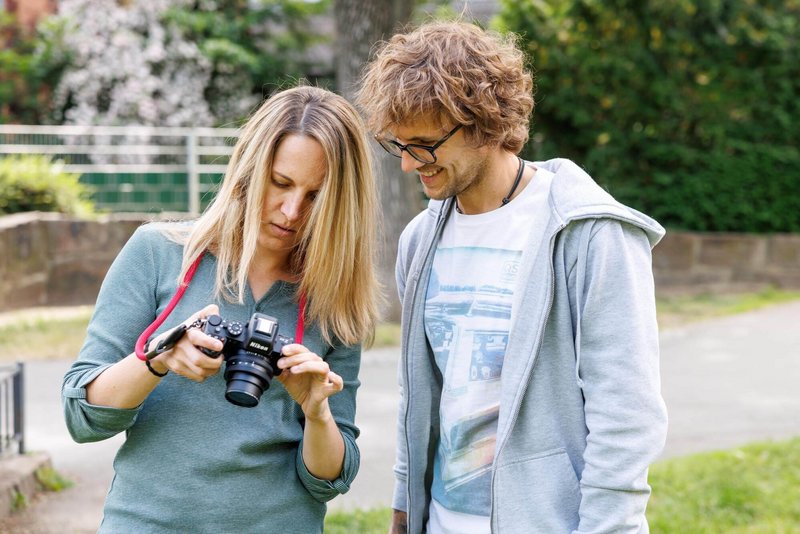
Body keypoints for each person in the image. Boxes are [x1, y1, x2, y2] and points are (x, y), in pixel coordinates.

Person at [356, 21, 668, 533]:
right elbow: (420, 398)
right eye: (400, 146)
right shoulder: (419, 240)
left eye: (425, 145)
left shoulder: (590, 234)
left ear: (483, 124)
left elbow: (626, 413)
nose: (409, 165)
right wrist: (404, 509)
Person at [62, 86, 381, 533]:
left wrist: (316, 413)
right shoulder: (158, 253)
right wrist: (158, 360)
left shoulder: (337, 297)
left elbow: (328, 479)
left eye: (316, 195)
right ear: (249, 170)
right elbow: (82, 417)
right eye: (281, 183)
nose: (292, 211)